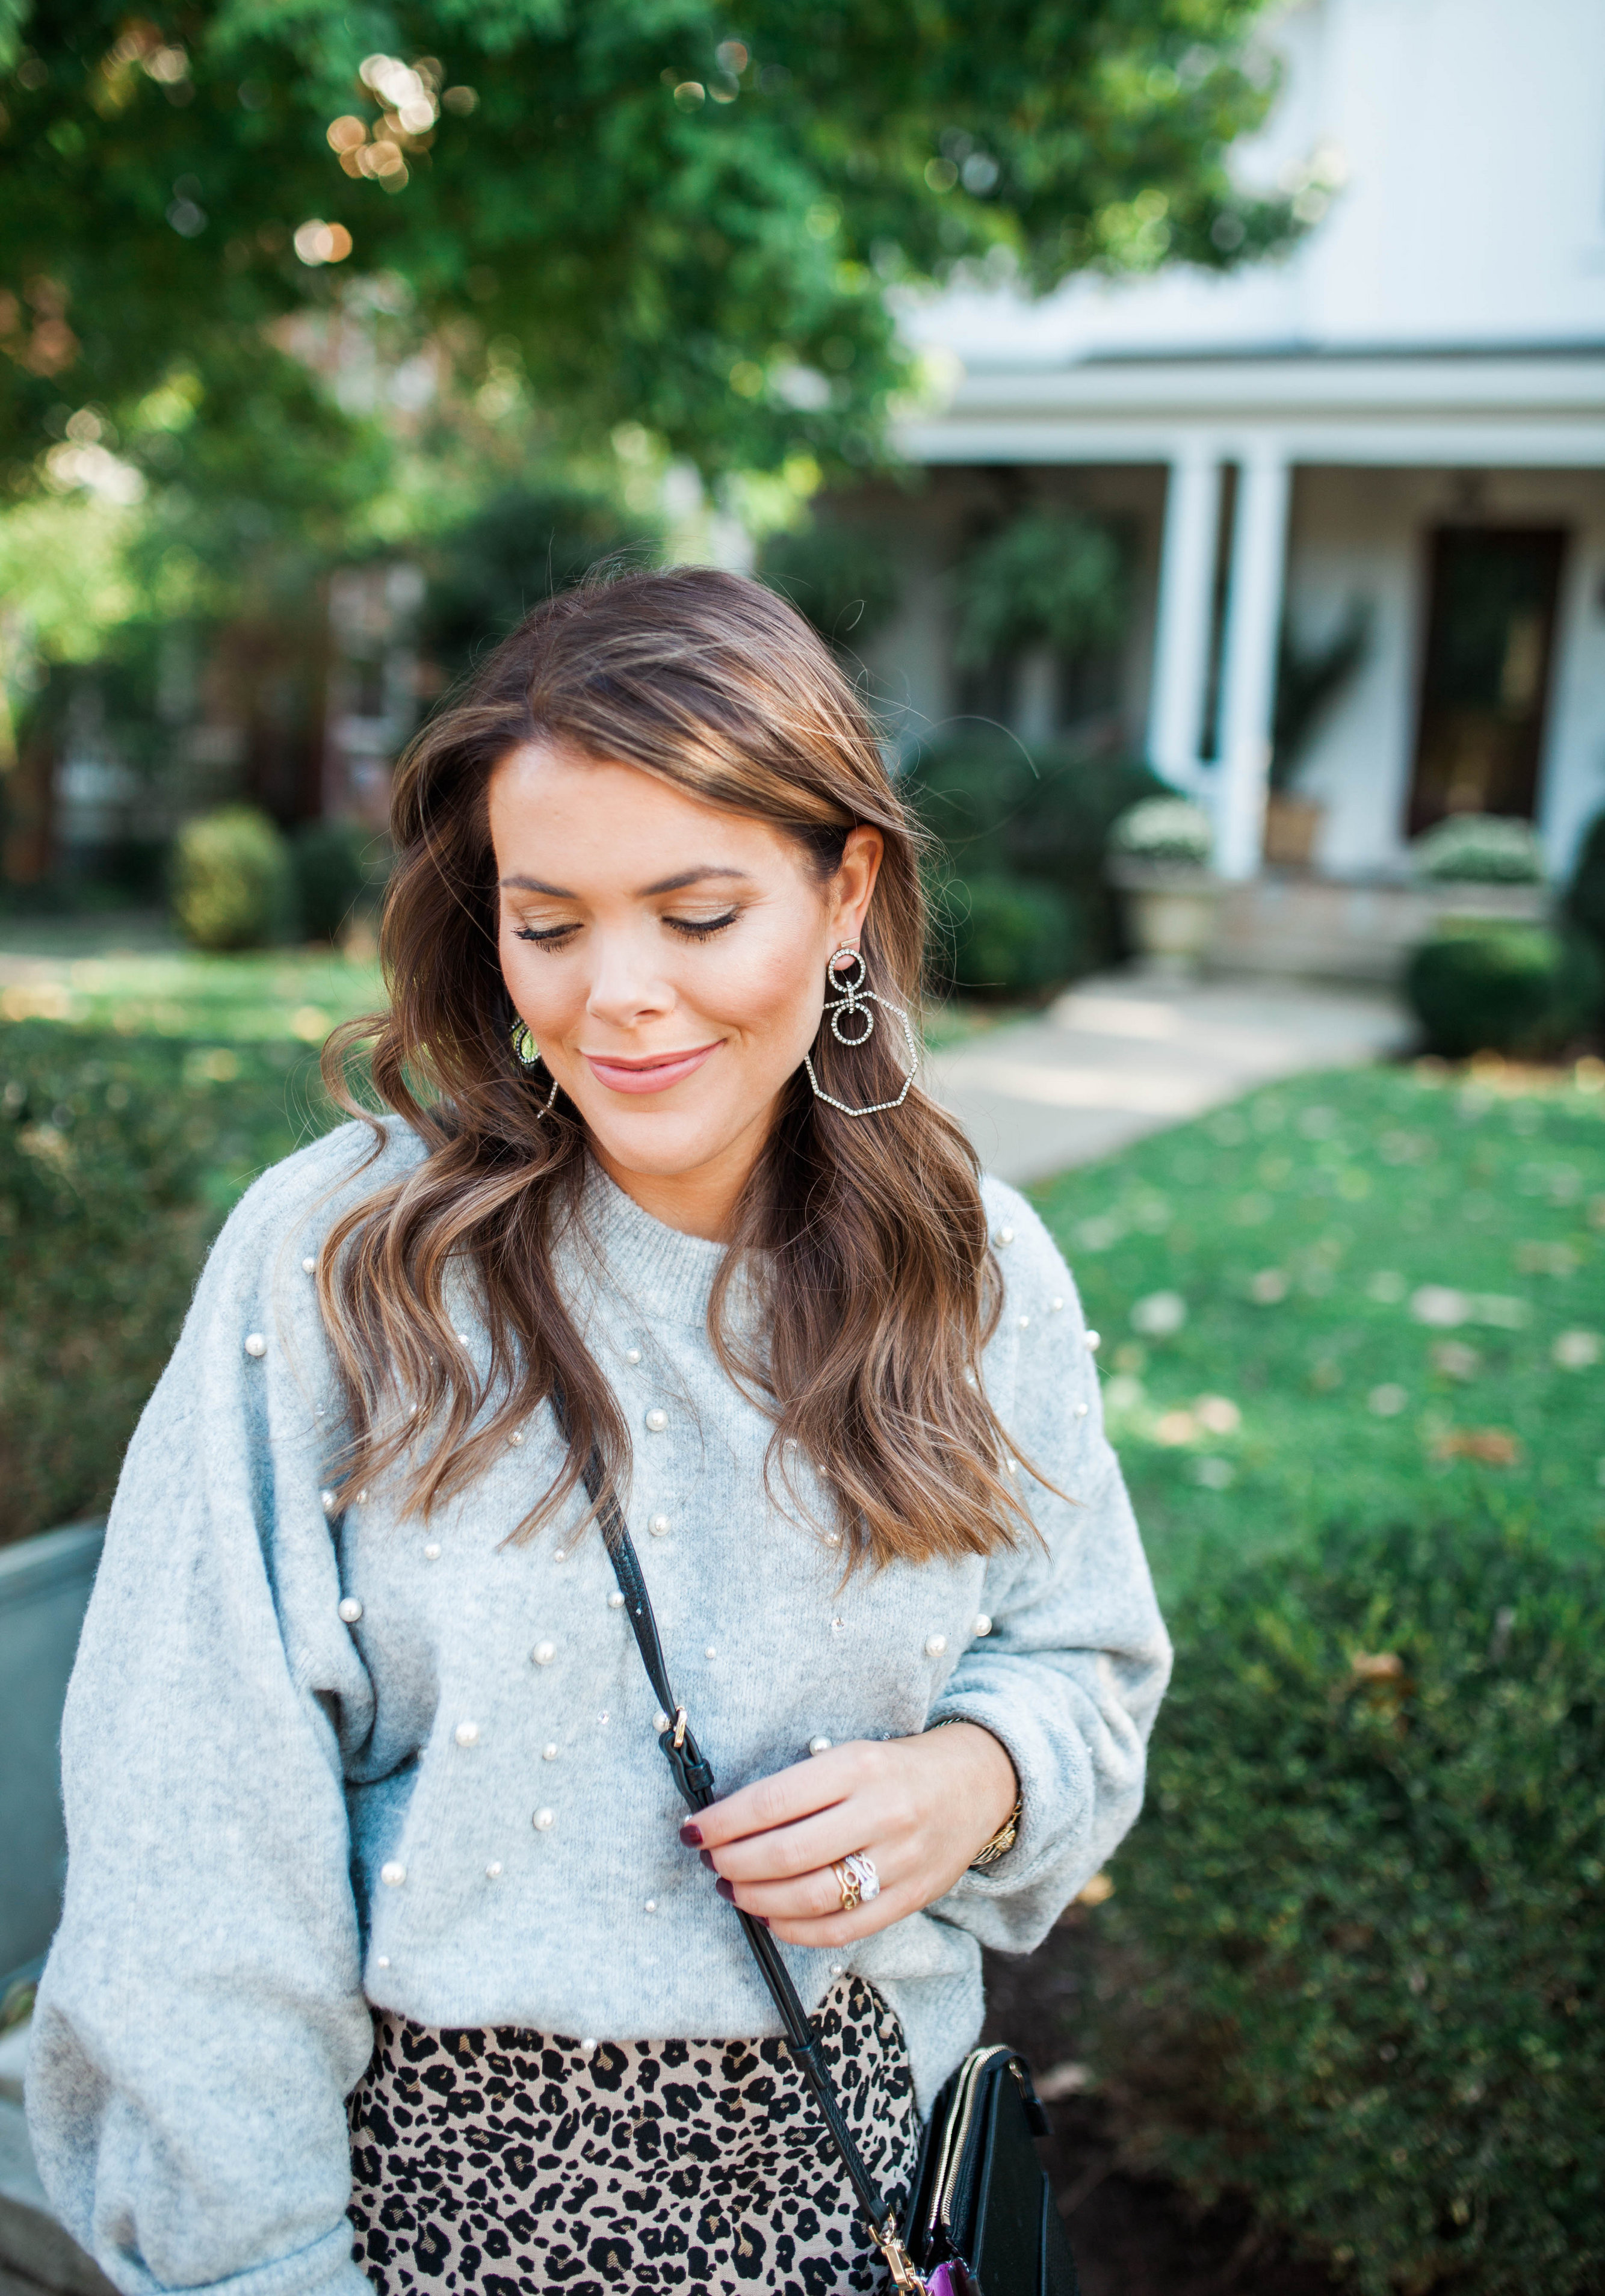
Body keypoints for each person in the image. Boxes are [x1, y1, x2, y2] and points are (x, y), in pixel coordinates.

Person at [28, 568, 1171, 2296]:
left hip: (868, 2205)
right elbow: (191, 1864)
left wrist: (981, 1779)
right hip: (418, 2219)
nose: (617, 996)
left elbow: (1088, 1663)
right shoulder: (343, 1263)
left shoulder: (975, 1264)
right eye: (548, 923)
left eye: (699, 915)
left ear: (844, 891)